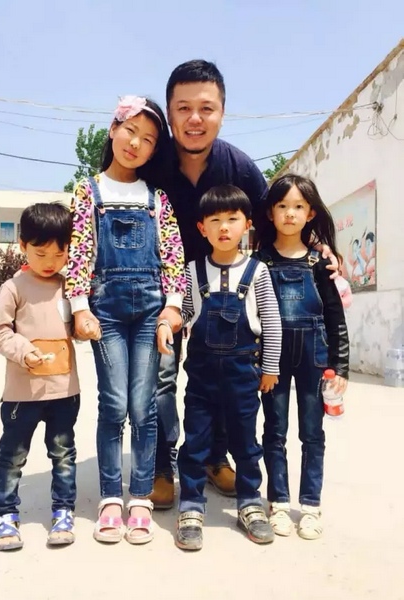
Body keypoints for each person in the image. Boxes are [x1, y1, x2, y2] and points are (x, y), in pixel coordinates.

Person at [148, 59, 339, 509]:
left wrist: (317, 247)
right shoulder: (153, 165)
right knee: (162, 381)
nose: (195, 119)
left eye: (206, 108)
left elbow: (276, 217)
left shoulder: (238, 165)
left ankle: (216, 459)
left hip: (227, 288)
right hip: (163, 291)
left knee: (219, 373)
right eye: (183, 108)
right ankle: (161, 466)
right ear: (170, 114)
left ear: (222, 112)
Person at [65, 96, 186, 545]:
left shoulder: (157, 199)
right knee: (114, 404)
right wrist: (80, 307)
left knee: (144, 406)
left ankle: (140, 499)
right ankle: (111, 499)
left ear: (154, 151)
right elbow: (80, 251)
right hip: (107, 312)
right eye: (130, 131)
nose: (136, 143)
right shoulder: (88, 191)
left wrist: (173, 306)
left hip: (152, 311)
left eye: (148, 139)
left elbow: (173, 255)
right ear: (113, 130)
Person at [175, 185, 282, 550]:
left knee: (245, 442)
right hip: (201, 377)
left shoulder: (258, 271)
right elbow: (185, 312)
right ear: (201, 228)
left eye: (232, 219)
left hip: (243, 376)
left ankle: (250, 502)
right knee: (195, 441)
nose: (224, 227)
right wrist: (168, 321)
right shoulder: (193, 271)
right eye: (215, 220)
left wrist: (270, 367)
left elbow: (271, 321)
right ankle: (191, 506)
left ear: (247, 225)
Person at [254, 174, 350, 541]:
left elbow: (335, 317)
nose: (290, 213)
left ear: (310, 213)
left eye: (298, 206)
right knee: (274, 431)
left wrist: (340, 366)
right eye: (282, 206)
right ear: (270, 212)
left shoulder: (319, 263)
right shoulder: (259, 262)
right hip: (272, 360)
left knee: (312, 433)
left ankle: (310, 506)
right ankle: (278, 502)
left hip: (314, 357)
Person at [0, 203, 80, 551]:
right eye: (41, 253)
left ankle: (63, 512)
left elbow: (77, 326)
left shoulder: (70, 286)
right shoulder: (13, 287)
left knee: (63, 455)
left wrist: (86, 326)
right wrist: (24, 351)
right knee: (12, 456)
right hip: (22, 395)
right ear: (23, 246)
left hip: (65, 392)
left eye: (59, 253)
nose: (50, 261)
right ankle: (5, 514)